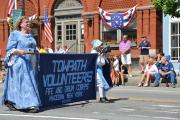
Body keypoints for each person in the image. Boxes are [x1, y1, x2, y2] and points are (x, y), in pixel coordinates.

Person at [2, 16, 41, 112]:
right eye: (26, 22)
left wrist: (36, 51)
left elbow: (34, 47)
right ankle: (29, 105)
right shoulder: (15, 34)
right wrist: (19, 51)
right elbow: (9, 49)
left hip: (30, 63)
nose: (28, 23)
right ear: (20, 24)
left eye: (28, 22)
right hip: (19, 62)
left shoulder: (31, 35)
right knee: (25, 84)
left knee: (25, 83)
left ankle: (11, 101)